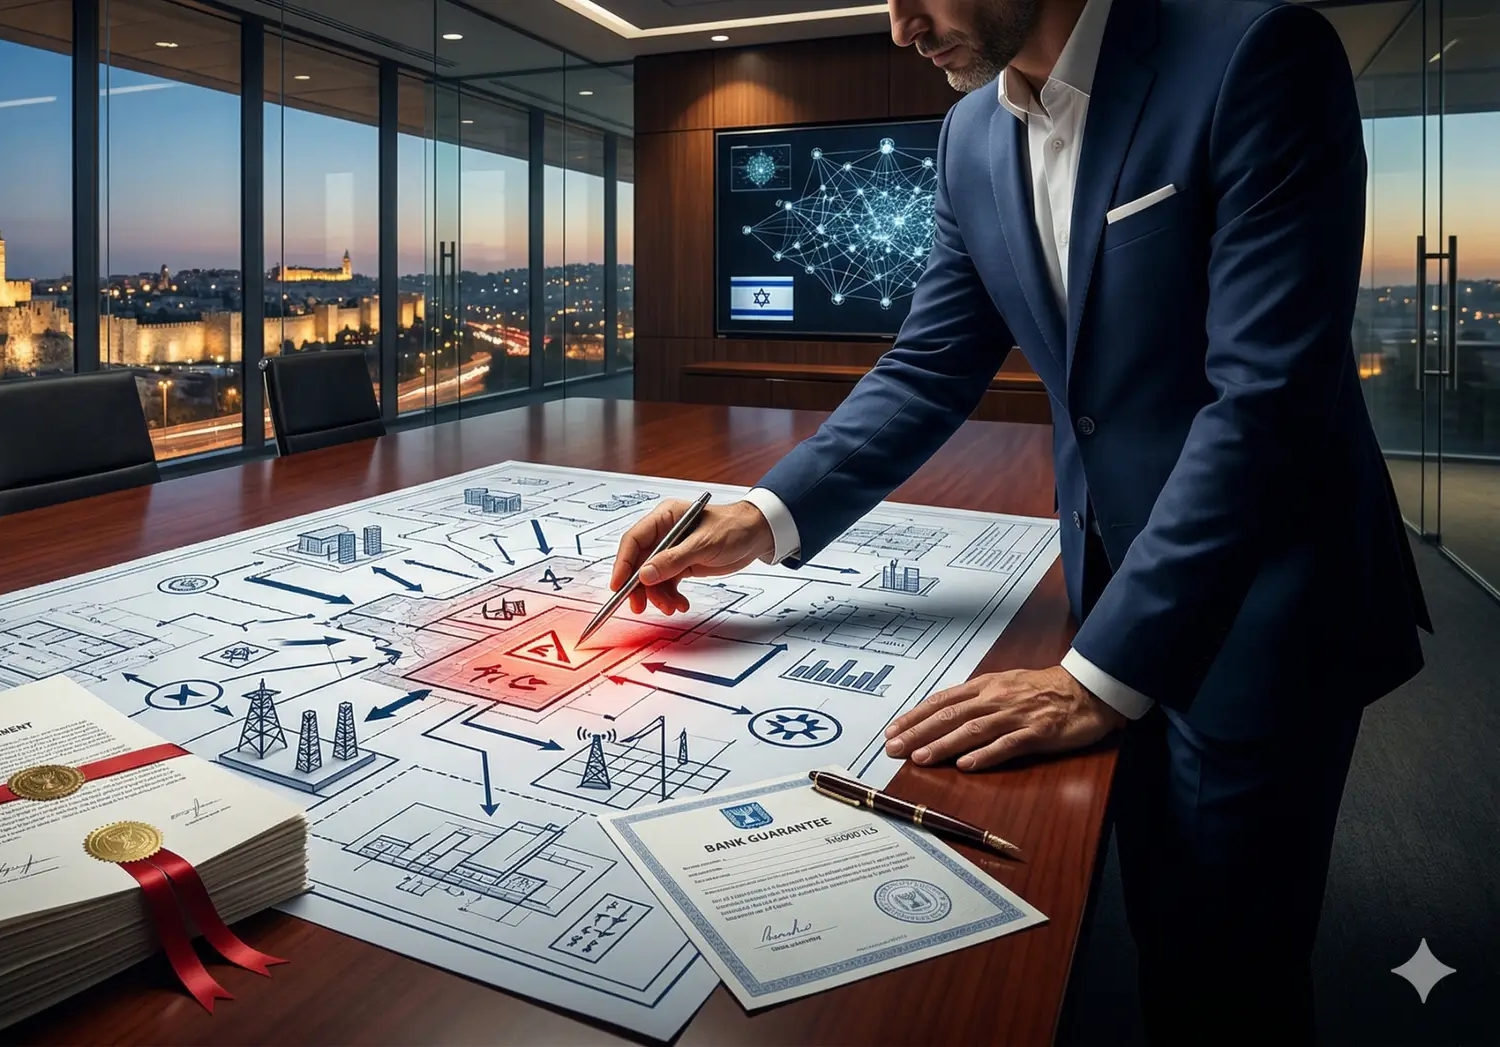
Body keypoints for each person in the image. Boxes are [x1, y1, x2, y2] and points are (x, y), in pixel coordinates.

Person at [608, 0, 1431, 1040]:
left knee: (1229, 972)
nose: (902, 27)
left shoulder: (1255, 54)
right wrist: (762, 516)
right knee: (1153, 905)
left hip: (1264, 606)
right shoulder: (968, 133)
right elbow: (932, 361)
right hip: (1107, 572)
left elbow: (1268, 398)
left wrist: (1097, 676)